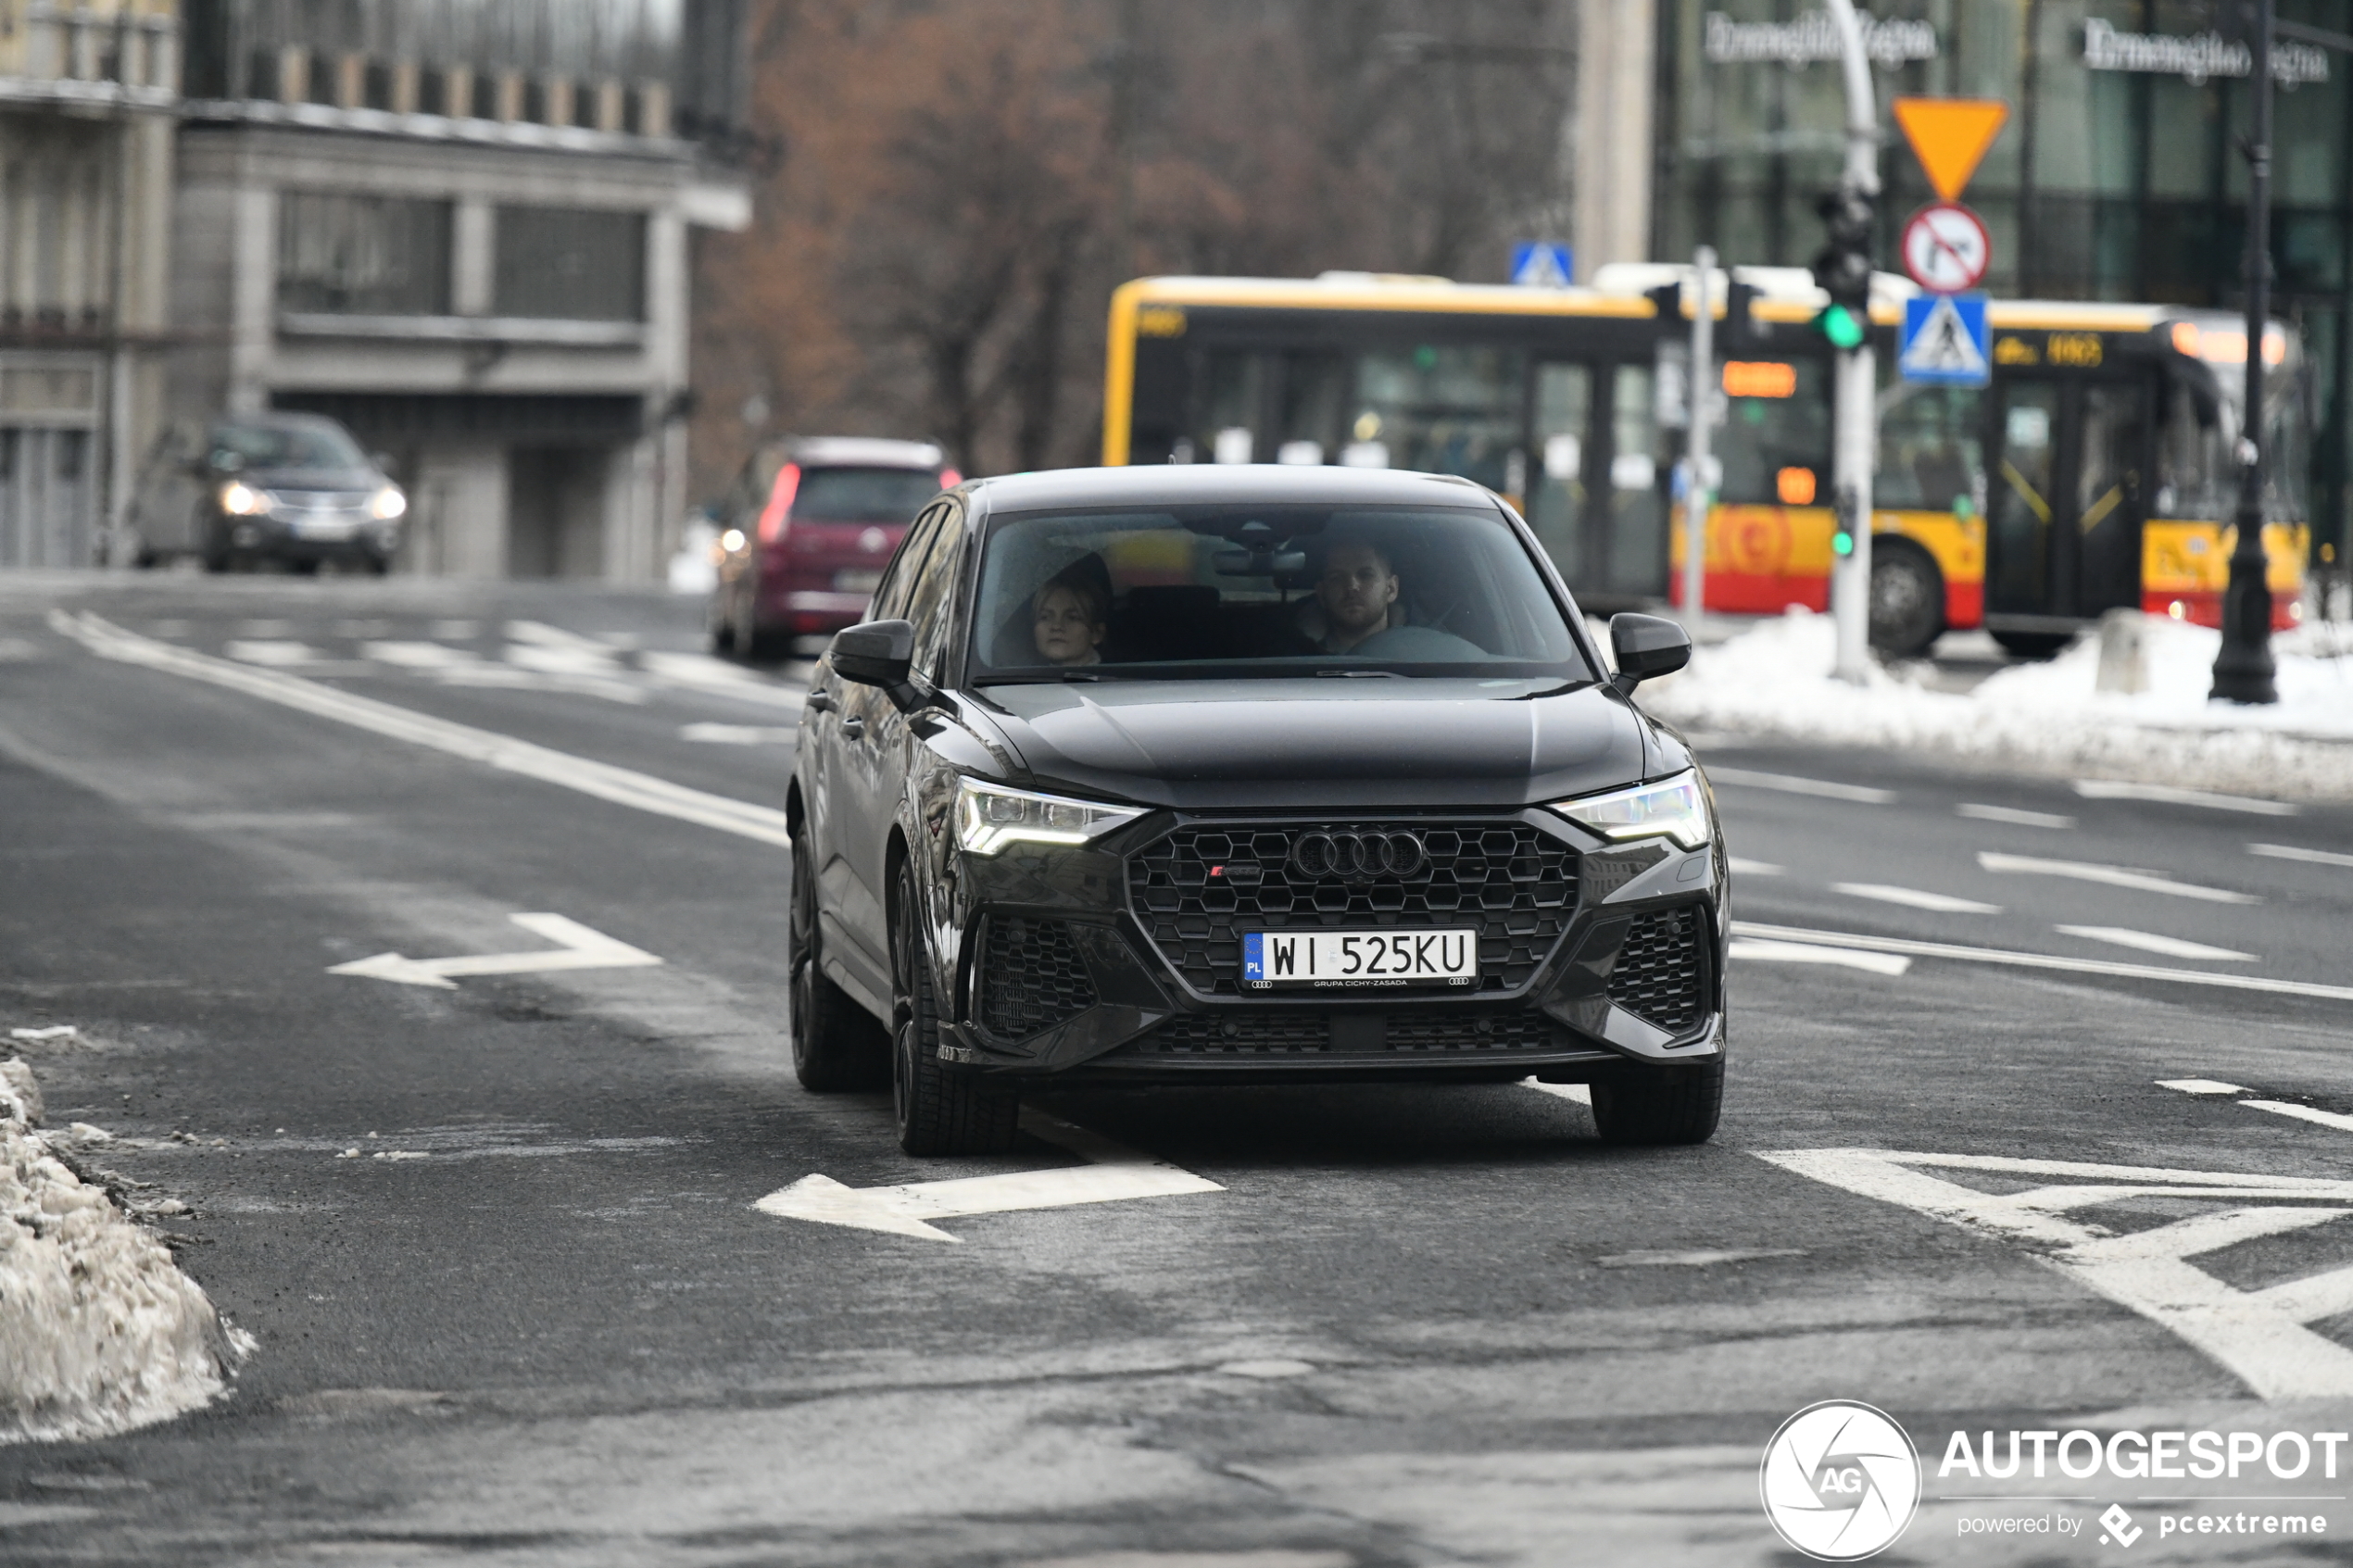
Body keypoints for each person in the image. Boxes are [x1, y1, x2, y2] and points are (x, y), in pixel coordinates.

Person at [1313, 540, 1399, 654]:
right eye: (1337, 578)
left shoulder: (1421, 652)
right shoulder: (1295, 658)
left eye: (1366, 575)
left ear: (1391, 589)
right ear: (1321, 593)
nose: (1352, 586)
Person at [1031, 568, 1109, 666]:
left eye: (1072, 618)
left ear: (1097, 633)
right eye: (1045, 617)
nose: (1056, 626)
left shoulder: (1116, 680)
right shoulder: (1022, 677)